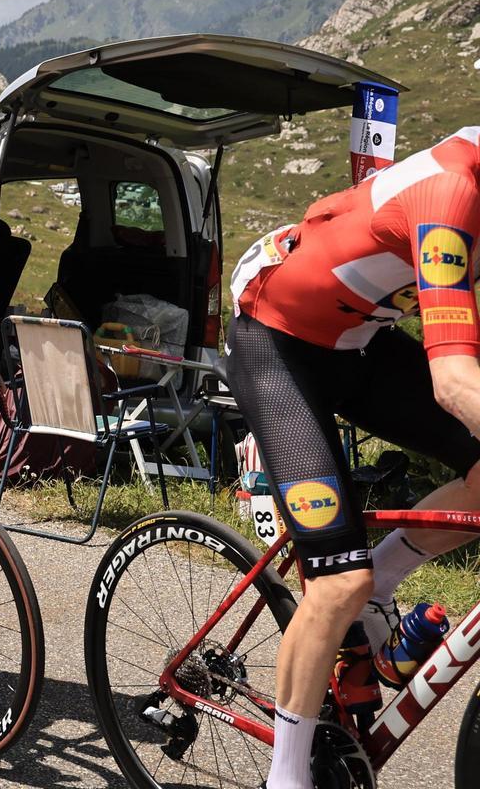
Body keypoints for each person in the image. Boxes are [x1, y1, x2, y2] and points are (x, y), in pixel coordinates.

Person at [227, 126, 480, 789]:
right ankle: (286, 779)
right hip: (276, 340)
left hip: (360, 341)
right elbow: (454, 382)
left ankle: (385, 579)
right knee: (339, 583)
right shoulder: (451, 194)